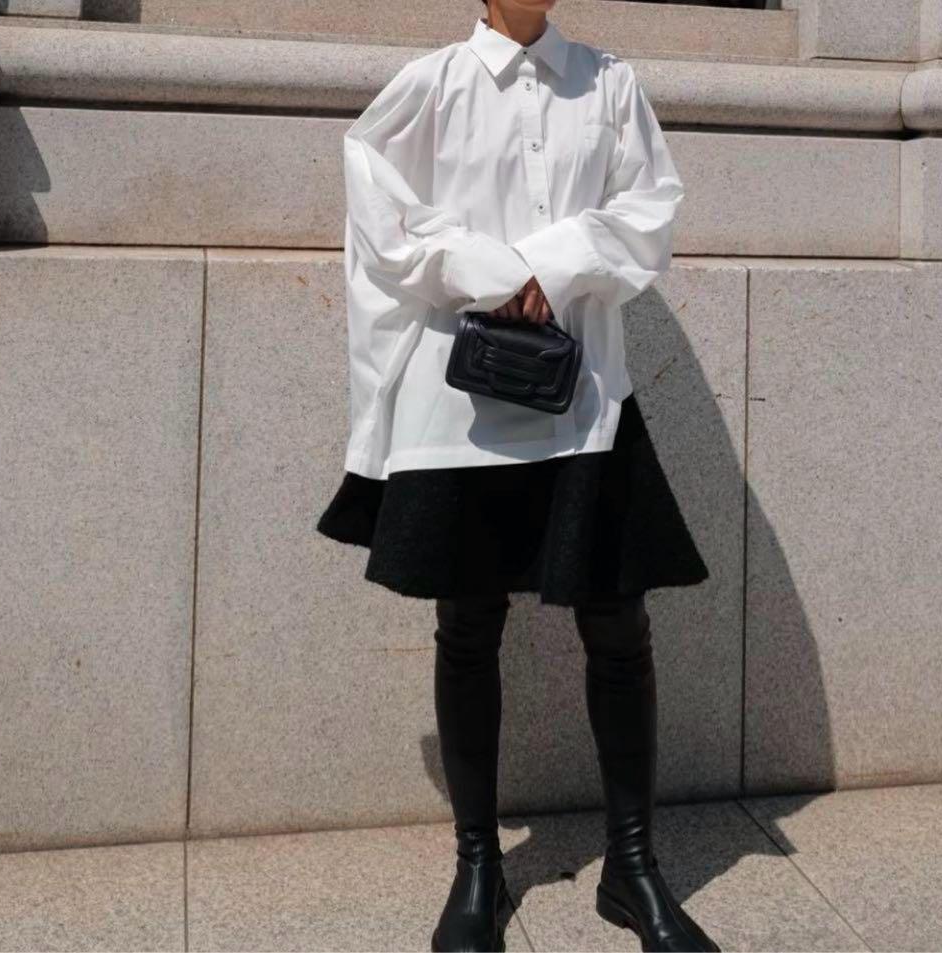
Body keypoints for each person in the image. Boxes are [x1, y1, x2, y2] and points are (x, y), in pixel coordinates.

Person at [316, 1, 720, 950]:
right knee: (467, 625)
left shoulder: (609, 84)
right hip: (460, 408)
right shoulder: (431, 86)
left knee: (617, 622)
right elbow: (382, 215)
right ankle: (478, 866)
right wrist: (494, 271)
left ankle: (632, 867)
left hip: (584, 398)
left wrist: (548, 264)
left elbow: (648, 207)